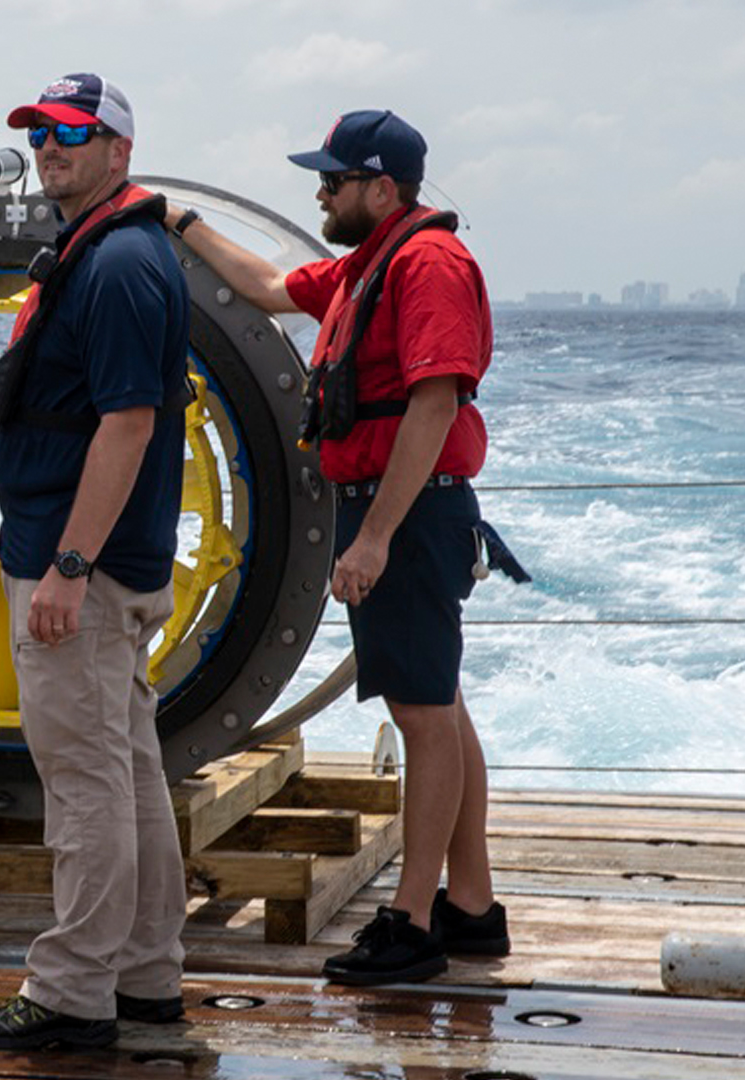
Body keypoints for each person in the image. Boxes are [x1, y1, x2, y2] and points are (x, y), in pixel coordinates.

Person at [164, 109, 512, 985]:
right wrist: (182, 223)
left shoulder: (427, 264)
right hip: (399, 508)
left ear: (382, 188)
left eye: (333, 180)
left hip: (409, 511)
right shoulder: (372, 265)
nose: (318, 192)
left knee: (422, 719)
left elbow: (433, 405)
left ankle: (413, 923)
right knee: (441, 701)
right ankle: (472, 907)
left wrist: (377, 539)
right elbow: (271, 286)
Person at [0, 73, 194, 1050]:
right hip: (104, 562)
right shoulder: (117, 251)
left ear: (118, 152)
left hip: (83, 571)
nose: (50, 147)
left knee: (86, 783)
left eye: (72, 133)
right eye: (40, 132)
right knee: (128, 773)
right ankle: (144, 978)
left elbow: (128, 426)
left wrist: (68, 564)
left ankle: (70, 997)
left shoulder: (118, 267)